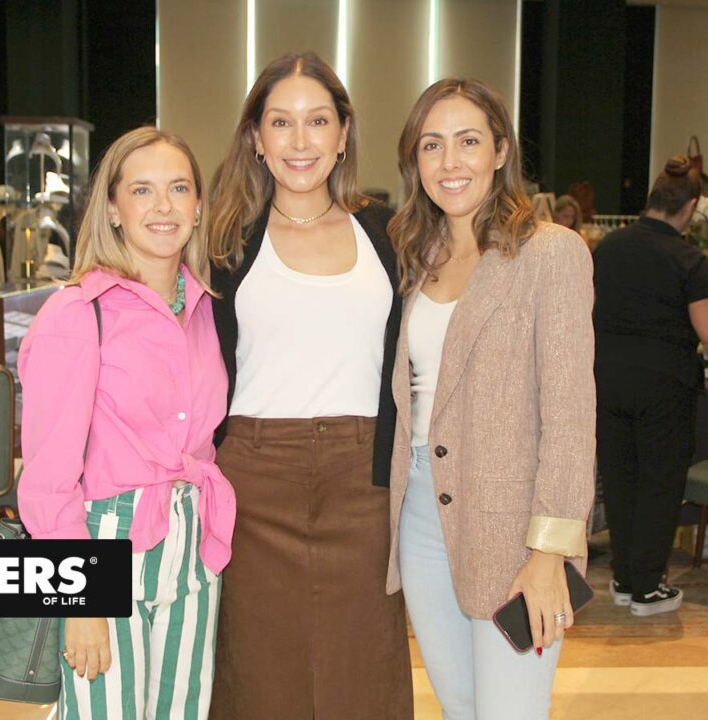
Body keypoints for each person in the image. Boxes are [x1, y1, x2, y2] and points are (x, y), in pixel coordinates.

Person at [207, 52, 413, 719]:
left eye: (318, 120)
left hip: (365, 481)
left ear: (343, 132)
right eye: (281, 122)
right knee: (257, 671)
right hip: (252, 481)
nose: (300, 141)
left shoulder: (390, 234)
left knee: (365, 667)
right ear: (256, 137)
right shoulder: (224, 240)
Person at [386, 78, 595, 719]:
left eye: (468, 141)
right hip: (421, 512)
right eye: (431, 145)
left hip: (514, 527)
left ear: (501, 151)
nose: (450, 162)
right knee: (460, 707)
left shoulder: (549, 252)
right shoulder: (416, 256)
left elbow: (571, 417)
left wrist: (549, 552)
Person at [17, 127, 236, 719]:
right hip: (103, 544)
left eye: (179, 188)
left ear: (198, 206)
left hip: (192, 541)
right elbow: (47, 480)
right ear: (113, 208)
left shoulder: (206, 309)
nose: (164, 206)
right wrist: (80, 599)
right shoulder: (77, 312)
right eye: (142, 190)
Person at [593, 155, 708, 617]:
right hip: (663, 385)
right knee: (659, 482)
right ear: (689, 207)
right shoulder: (687, 258)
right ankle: (648, 589)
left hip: (607, 380)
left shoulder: (609, 247)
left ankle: (623, 578)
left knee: (620, 479)